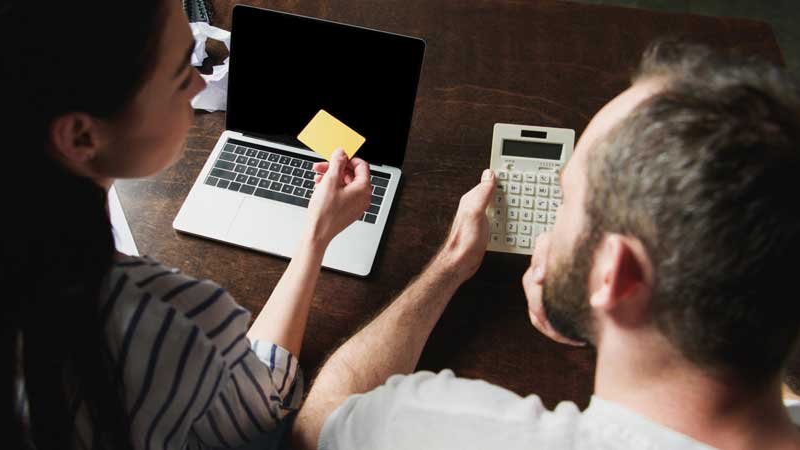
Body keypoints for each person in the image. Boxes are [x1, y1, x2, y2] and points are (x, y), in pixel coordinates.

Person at [0, 0, 370, 448]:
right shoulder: (167, 317)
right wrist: (316, 236)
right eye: (180, 73)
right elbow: (262, 407)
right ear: (80, 134)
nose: (200, 86)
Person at [291, 39, 800, 450]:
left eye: (566, 198)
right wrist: (607, 320)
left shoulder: (427, 427)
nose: (551, 225)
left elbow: (318, 422)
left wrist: (450, 263)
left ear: (613, 275)